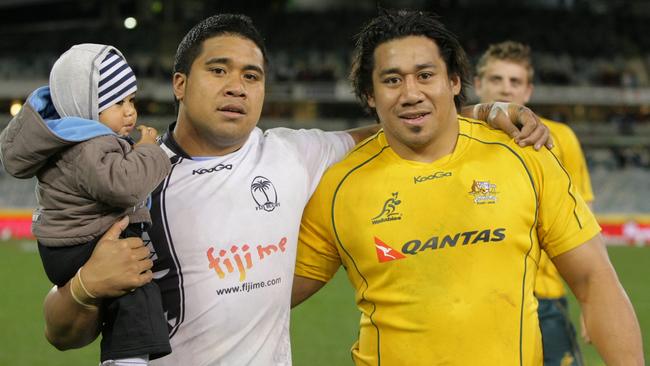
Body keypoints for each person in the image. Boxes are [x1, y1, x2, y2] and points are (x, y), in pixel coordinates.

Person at [39, 14, 552, 365]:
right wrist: (86, 287)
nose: (237, 86)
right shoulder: (130, 178)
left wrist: (483, 112)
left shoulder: (293, 154)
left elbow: (400, 121)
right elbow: (62, 332)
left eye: (252, 75)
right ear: (179, 83)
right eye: (218, 70)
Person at [291, 9, 643, 366]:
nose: (411, 93)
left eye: (425, 75)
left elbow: (594, 280)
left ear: (454, 81)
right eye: (392, 80)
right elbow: (269, 295)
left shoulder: (523, 156)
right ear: (369, 94)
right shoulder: (339, 185)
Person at [0, 44, 172, 365]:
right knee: (136, 284)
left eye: (131, 100)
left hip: (67, 243)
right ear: (87, 108)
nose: (130, 111)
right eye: (117, 102)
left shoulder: (76, 139)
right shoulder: (89, 144)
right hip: (80, 242)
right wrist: (149, 151)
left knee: (130, 292)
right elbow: (123, 186)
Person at [474, 41, 594, 366]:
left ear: (528, 91)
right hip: (478, 301)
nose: (505, 88)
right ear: (477, 84)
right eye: (496, 79)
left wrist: (592, 299)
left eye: (515, 82)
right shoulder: (456, 142)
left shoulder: (560, 138)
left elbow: (583, 226)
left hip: (545, 299)